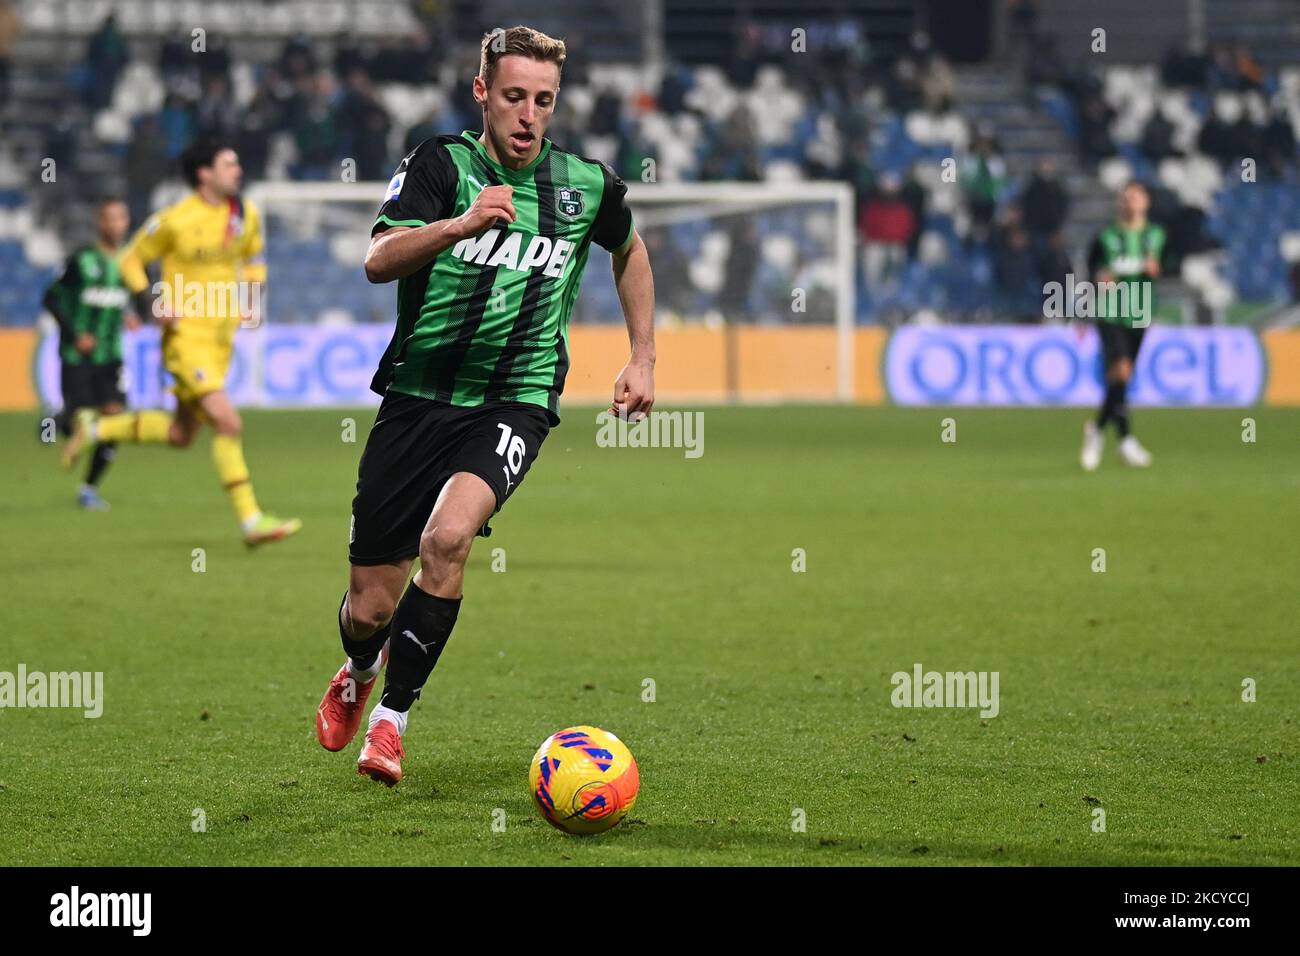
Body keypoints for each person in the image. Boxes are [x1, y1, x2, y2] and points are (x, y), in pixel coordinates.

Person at [314, 25, 656, 787]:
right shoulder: (441, 165)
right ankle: (359, 667)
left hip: (516, 398)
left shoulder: (584, 185)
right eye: (513, 97)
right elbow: (377, 259)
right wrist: (460, 224)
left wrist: (642, 355)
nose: (529, 114)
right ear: (482, 95)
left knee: (449, 540)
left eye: (543, 100)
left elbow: (629, 247)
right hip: (417, 397)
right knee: (371, 604)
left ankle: (392, 721)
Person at [63, 138, 301, 546]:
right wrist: (153, 301)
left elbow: (255, 258)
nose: (238, 170)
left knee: (181, 434)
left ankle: (97, 428)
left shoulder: (245, 214)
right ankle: (251, 521)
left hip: (221, 340)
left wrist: (250, 300)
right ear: (204, 173)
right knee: (227, 421)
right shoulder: (175, 219)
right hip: (185, 340)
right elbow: (129, 259)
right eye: (229, 163)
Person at [45, 199, 133, 509]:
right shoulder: (81, 260)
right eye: (109, 219)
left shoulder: (131, 261)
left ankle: (89, 489)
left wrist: (132, 315)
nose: (116, 224)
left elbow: (131, 297)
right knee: (79, 419)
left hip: (111, 356)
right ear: (100, 223)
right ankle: (60, 422)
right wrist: (74, 334)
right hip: (77, 356)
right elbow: (51, 299)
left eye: (121, 218)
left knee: (115, 419)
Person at [1080, 181, 1164, 471]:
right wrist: (1097, 278)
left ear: (1146, 202)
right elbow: (1090, 269)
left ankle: (1099, 430)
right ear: (1120, 204)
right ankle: (1124, 440)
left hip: (1140, 313)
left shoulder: (1156, 236)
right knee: (1121, 370)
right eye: (1125, 198)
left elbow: (1171, 264)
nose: (1129, 203)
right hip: (1110, 312)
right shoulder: (1106, 237)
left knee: (1121, 380)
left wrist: (1161, 269)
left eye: (1135, 197)